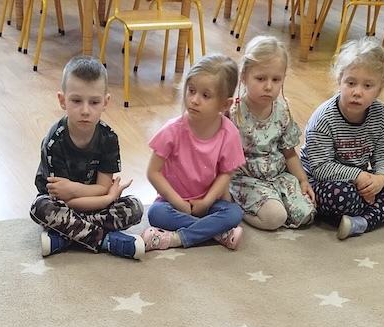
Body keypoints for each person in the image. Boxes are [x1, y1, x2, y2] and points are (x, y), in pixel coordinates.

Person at [301, 38, 384, 240]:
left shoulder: (381, 114)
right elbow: (320, 167)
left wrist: (380, 179)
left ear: (379, 89)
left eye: (368, 85)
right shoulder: (324, 118)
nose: (357, 92)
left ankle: (364, 220)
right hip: (323, 183)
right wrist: (358, 176)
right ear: (339, 81)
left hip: (363, 181)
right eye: (351, 83)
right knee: (342, 196)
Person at [30, 56, 145, 260]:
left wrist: (99, 196)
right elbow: (64, 199)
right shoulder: (54, 141)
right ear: (62, 101)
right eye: (76, 101)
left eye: (94, 102)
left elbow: (101, 188)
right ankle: (106, 241)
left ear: (105, 102)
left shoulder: (109, 138)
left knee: (134, 207)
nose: (85, 110)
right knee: (40, 208)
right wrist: (106, 197)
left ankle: (66, 237)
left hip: (92, 204)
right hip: (65, 205)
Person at [140, 54, 247, 252]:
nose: (194, 100)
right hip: (171, 203)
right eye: (191, 91)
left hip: (209, 203)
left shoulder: (229, 132)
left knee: (234, 213)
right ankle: (217, 233)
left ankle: (176, 238)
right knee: (156, 213)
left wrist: (206, 202)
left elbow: (226, 173)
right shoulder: (173, 129)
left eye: (205, 96)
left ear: (225, 104)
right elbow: (153, 172)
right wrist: (178, 203)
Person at [228, 35, 316, 231]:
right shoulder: (234, 113)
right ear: (244, 76)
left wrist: (303, 180)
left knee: (307, 214)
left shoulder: (282, 111)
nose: (269, 86)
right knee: (275, 218)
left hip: (278, 177)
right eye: (260, 79)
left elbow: (289, 153)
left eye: (276, 80)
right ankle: (239, 209)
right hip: (247, 180)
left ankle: (272, 202)